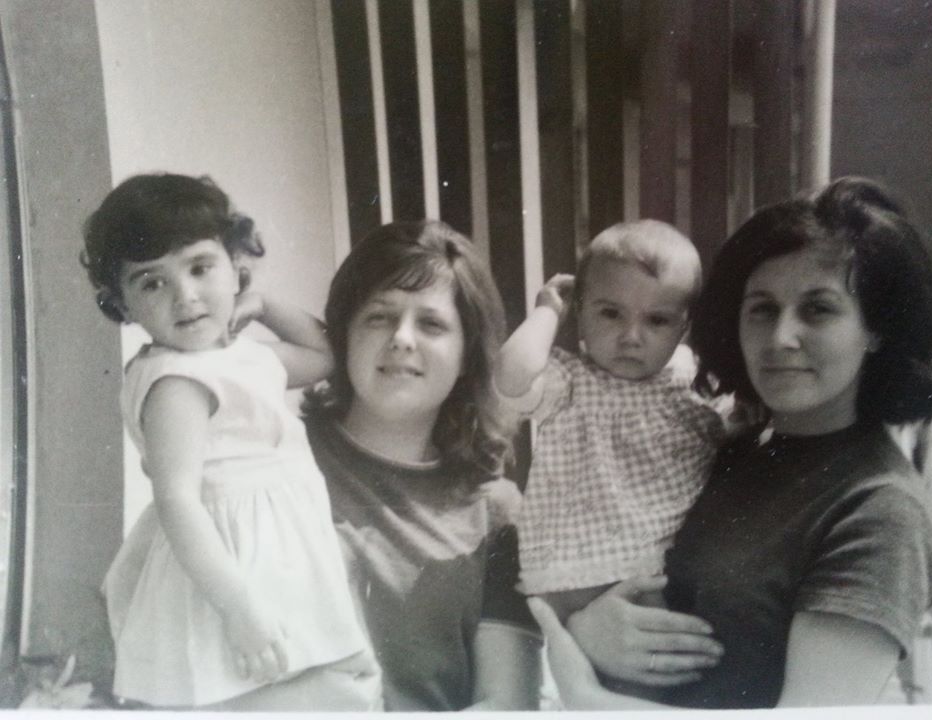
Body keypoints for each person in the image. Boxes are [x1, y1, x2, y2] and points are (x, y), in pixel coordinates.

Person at [528, 176, 932, 709]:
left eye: (818, 309)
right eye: (762, 308)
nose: (781, 337)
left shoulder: (879, 510)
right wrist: (586, 625)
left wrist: (586, 696)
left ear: (876, 329)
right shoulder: (722, 448)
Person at [82, 173, 380, 710]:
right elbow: (178, 501)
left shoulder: (240, 357)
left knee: (308, 683)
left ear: (235, 264)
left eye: (200, 268)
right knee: (245, 691)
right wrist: (240, 610)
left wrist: (262, 304)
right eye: (151, 283)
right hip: (228, 569)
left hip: (277, 550)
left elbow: (325, 356)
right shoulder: (176, 382)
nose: (185, 296)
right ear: (122, 305)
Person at [302, 220, 542, 711]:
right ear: (345, 334)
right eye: (379, 316)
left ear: (467, 355)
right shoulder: (275, 463)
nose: (402, 338)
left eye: (431, 324)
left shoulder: (496, 515)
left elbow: (505, 705)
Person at [494, 221, 725, 621]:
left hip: (660, 567)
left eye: (657, 320)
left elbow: (723, 432)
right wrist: (547, 313)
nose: (631, 336)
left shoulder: (690, 378)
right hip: (571, 574)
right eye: (611, 313)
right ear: (580, 314)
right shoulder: (569, 382)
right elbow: (510, 376)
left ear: (683, 328)